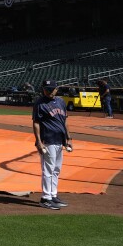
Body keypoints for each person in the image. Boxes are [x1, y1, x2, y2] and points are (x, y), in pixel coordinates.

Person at [31, 80, 71, 210]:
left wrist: (68, 138)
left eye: (51, 89)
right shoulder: (39, 103)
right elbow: (36, 123)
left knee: (56, 170)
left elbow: (65, 121)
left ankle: (53, 195)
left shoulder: (60, 102)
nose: (48, 91)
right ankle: (45, 198)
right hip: (47, 140)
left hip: (60, 140)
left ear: (56, 89)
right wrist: (38, 141)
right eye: (46, 89)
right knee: (48, 170)